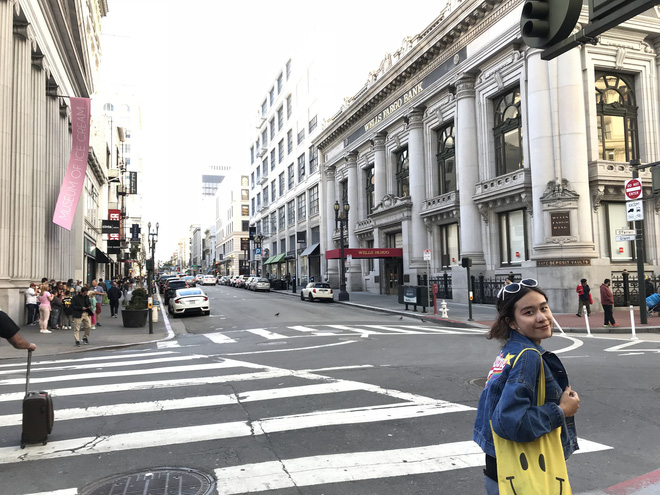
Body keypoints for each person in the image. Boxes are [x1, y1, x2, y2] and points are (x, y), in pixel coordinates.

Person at [473, 279, 580, 494]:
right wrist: (562, 411)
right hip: (524, 472)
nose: (542, 317)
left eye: (544, 308)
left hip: (499, 469)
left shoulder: (510, 351)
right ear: (512, 322)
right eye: (529, 312)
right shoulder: (528, 356)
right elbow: (510, 422)